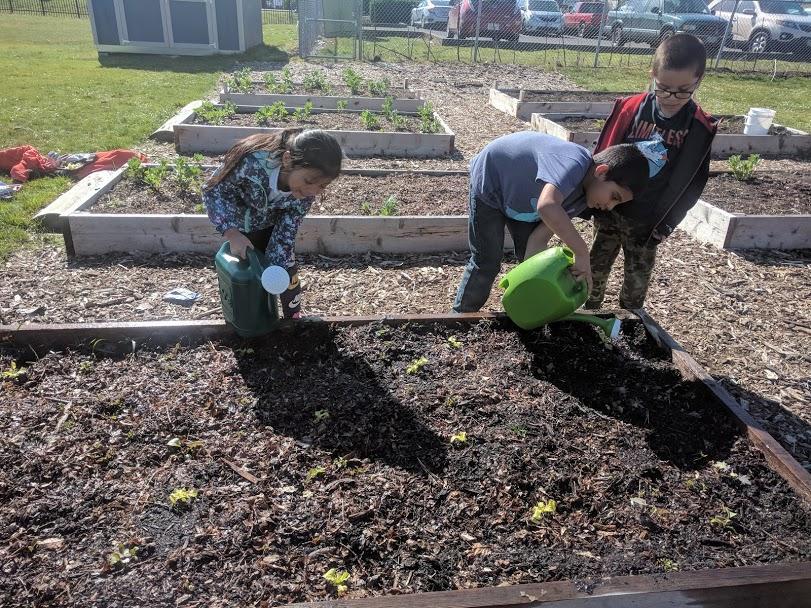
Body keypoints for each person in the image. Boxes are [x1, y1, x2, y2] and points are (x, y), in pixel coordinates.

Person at [585, 33, 719, 310]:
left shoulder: (698, 128)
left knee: (637, 279)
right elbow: (604, 151)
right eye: (663, 88)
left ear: (699, 80)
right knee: (594, 268)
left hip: (648, 221)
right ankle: (587, 313)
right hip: (611, 209)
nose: (672, 98)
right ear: (653, 75)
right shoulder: (630, 109)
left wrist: (667, 223)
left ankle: (630, 323)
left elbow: (692, 184)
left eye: (683, 90)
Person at [453, 131, 649, 313]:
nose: (610, 206)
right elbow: (547, 206)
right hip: (491, 184)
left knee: (531, 262)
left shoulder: (581, 200)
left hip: (521, 205)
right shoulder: (574, 162)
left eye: (617, 203)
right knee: (486, 261)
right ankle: (459, 316)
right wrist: (581, 252)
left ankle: (523, 312)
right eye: (614, 196)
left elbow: (538, 240)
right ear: (601, 171)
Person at [204, 128, 342, 318]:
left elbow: (288, 228)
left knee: (285, 269)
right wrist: (231, 232)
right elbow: (214, 191)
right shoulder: (252, 163)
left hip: (272, 224)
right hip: (243, 227)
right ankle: (250, 319)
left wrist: (279, 265)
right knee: (249, 275)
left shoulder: (304, 195)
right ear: (287, 159)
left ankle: (293, 317)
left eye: (322, 186)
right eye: (309, 181)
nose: (313, 191)